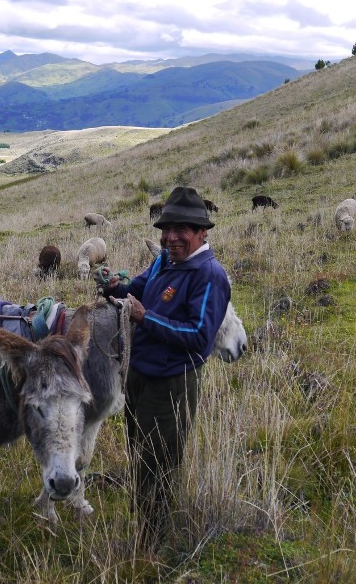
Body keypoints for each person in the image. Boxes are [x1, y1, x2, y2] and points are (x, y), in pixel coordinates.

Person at [95, 186, 231, 548]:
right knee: (141, 459)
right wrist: (116, 287)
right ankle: (145, 529)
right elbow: (136, 288)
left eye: (181, 230)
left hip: (172, 384)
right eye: (166, 229)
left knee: (157, 467)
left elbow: (199, 336)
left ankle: (152, 548)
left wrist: (145, 316)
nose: (171, 237)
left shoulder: (209, 276)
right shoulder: (164, 262)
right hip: (140, 378)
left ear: (202, 232)